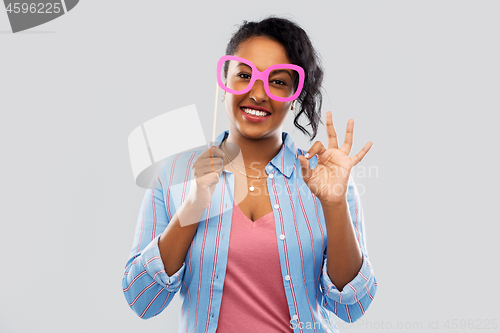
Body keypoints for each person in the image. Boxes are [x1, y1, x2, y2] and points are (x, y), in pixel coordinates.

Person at [122, 16, 377, 333]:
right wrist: (193, 204)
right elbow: (143, 299)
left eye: (278, 81)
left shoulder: (325, 180)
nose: (258, 93)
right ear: (224, 80)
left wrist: (335, 204)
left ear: (294, 95)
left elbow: (351, 307)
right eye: (244, 75)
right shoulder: (174, 174)